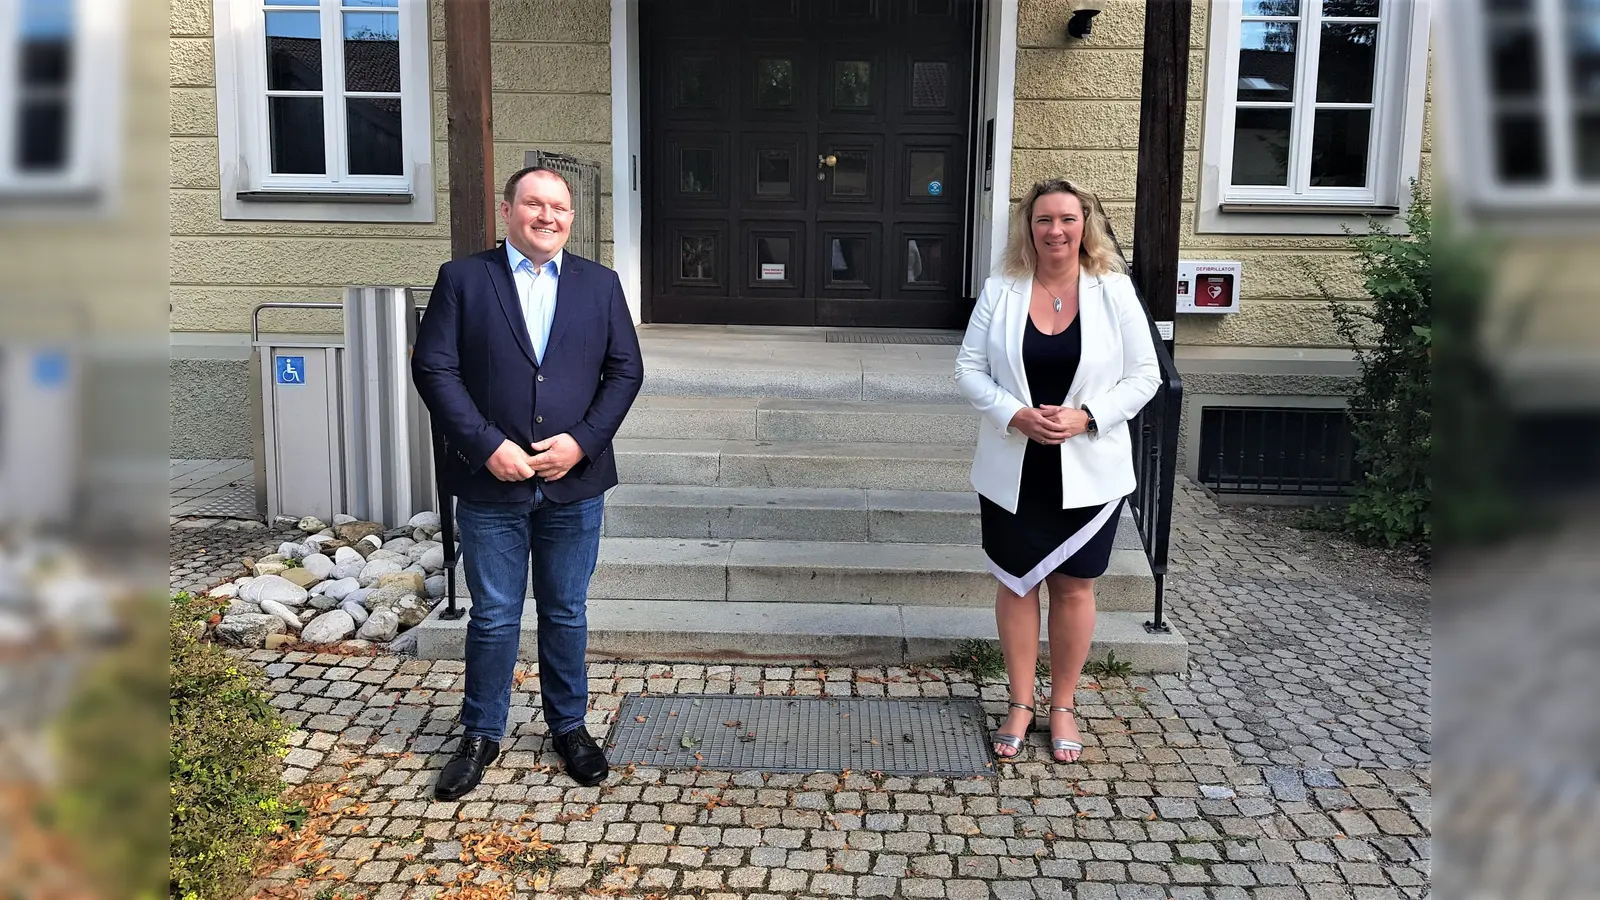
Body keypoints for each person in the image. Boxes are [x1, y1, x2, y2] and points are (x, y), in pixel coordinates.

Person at [412, 166, 644, 799]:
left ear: (571, 217)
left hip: (575, 480)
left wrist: (582, 442)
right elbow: (434, 368)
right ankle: (481, 732)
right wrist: (487, 447)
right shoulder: (464, 279)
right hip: (493, 485)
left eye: (560, 208)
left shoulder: (601, 284)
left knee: (566, 610)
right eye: (535, 204)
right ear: (507, 209)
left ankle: (569, 726)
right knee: (492, 615)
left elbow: (625, 371)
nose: (548, 217)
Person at [954, 179, 1159, 763]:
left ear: (1085, 225)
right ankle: (1020, 702)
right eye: (1044, 220)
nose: (1056, 230)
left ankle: (1063, 703)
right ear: (1028, 228)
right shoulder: (1002, 290)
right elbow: (968, 369)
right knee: (1016, 583)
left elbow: (1144, 376)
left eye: (1067, 219)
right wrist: (1015, 414)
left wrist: (1087, 417)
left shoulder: (1114, 291)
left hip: (1089, 465)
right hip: (1013, 465)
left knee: (1074, 588)